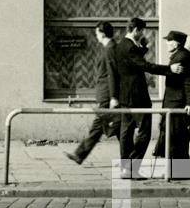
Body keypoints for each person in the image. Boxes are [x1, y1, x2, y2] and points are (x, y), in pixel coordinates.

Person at [111, 17, 178, 180]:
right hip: (137, 97)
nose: (143, 34)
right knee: (144, 132)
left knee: (126, 133)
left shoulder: (121, 46)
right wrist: (170, 69)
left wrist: (144, 46)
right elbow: (145, 66)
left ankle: (125, 168)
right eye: (142, 31)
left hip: (125, 96)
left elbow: (134, 59)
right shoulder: (130, 48)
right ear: (136, 30)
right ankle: (131, 168)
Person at [67, 21, 120, 165]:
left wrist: (113, 96)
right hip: (106, 93)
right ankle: (130, 157)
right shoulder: (108, 48)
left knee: (99, 124)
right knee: (117, 127)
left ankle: (80, 154)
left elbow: (112, 74)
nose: (96, 36)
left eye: (97, 33)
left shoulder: (110, 49)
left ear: (102, 33)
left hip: (107, 94)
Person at [151, 31, 190, 180]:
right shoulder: (179, 55)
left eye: (169, 41)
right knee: (174, 139)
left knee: (176, 139)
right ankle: (176, 172)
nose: (166, 43)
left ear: (176, 43)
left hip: (177, 104)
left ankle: (178, 173)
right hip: (173, 103)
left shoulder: (182, 57)